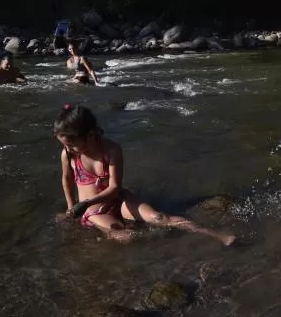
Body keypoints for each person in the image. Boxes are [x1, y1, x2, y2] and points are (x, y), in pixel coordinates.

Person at [54, 103, 236, 245]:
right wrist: (71, 209)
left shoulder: (111, 150)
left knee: (159, 218)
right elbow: (67, 179)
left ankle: (216, 235)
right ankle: (159, 242)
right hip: (92, 211)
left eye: (71, 143)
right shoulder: (68, 154)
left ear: (91, 135)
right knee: (126, 238)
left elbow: (115, 187)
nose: (67, 148)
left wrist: (86, 202)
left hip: (117, 198)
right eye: (65, 144)